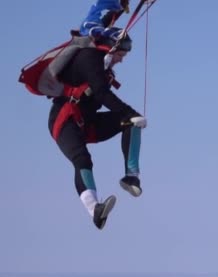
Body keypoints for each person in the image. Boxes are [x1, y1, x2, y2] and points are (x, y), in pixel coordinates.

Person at [48, 27, 146, 230]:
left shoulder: (102, 63)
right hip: (64, 119)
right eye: (121, 54)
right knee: (82, 159)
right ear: (111, 48)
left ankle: (131, 177)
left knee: (131, 122)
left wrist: (130, 116)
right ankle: (95, 211)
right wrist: (130, 111)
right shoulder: (89, 58)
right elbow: (101, 93)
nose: (121, 60)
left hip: (87, 121)